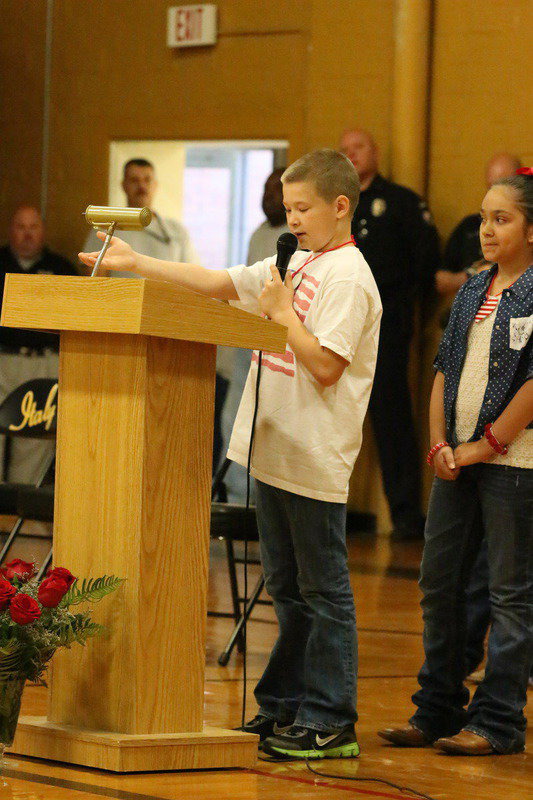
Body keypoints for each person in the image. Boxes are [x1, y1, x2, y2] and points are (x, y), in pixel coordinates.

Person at [80, 148, 382, 760]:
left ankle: (330, 718)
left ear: (340, 206)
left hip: (313, 455)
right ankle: (282, 708)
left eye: (303, 208)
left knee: (322, 592)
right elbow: (222, 282)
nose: (291, 219)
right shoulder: (293, 260)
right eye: (288, 208)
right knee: (286, 590)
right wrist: (138, 261)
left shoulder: (349, 275)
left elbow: (325, 364)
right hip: (271, 448)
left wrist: (278, 315)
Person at [378, 168, 533, 755]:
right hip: (457, 460)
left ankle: (498, 722)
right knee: (438, 584)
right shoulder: (473, 287)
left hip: (515, 463)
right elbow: (445, 367)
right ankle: (437, 709)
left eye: (502, 219)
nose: (486, 231)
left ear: (532, 229)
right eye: (484, 218)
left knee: (511, 595)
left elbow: (532, 385)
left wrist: (483, 445)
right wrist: (440, 443)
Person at [83, 158, 230, 473]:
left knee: (162, 427)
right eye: (134, 179)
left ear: (155, 185)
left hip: (169, 338)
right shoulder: (105, 230)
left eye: (147, 179)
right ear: (123, 185)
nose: (141, 185)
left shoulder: (173, 231)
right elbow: (91, 291)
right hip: (120, 340)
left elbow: (198, 283)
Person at [339, 128, 441, 540]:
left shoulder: (399, 201)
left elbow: (425, 259)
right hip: (338, 326)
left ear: (375, 153)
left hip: (386, 326)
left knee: (392, 418)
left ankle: (404, 514)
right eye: (343, 151)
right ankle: (330, 508)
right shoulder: (337, 206)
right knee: (332, 418)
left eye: (358, 148)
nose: (352, 155)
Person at [221, 167, 290, 503]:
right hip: (245, 337)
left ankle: (257, 502)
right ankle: (234, 498)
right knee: (232, 419)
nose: (268, 195)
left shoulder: (295, 237)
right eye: (264, 188)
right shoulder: (258, 233)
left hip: (278, 342)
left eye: (276, 188)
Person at [0, 205, 76, 482]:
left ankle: (21, 510)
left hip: (45, 361)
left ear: (43, 231)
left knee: (35, 436)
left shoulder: (61, 268)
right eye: (21, 227)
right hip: (3, 360)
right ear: (10, 231)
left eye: (33, 227)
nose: (27, 234)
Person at [435, 153, 522, 298]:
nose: (487, 231)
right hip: (475, 305)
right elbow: (441, 280)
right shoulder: (471, 226)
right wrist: (472, 275)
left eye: (505, 188)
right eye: (492, 188)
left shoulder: (523, 226)